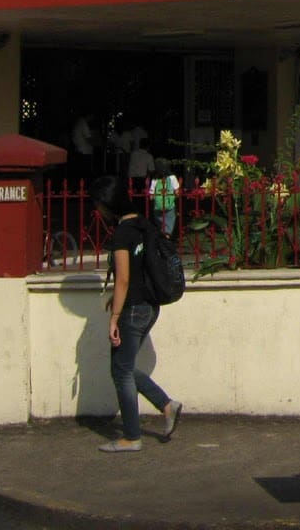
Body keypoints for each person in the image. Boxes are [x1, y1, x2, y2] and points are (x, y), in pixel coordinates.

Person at [91, 175, 181, 452]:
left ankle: (131, 436)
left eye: (99, 206)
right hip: (150, 306)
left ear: (108, 205)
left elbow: (124, 280)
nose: (98, 212)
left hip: (133, 310)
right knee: (125, 367)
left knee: (121, 370)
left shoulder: (122, 234)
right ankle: (167, 405)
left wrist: (115, 317)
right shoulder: (143, 224)